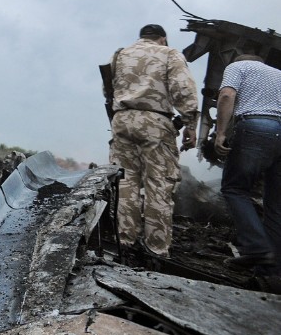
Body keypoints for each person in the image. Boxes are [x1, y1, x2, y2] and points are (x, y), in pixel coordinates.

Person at [108, 24, 199, 257]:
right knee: (159, 184)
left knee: (125, 183)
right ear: (163, 38)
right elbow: (183, 90)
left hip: (121, 120)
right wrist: (190, 124)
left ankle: (125, 241)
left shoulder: (120, 55)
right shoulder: (169, 53)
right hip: (155, 124)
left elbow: (108, 90)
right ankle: (156, 248)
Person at [214, 55, 281, 273]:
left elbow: (227, 95)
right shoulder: (279, 74)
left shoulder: (238, 66)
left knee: (234, 188)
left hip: (256, 127)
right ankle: (271, 269)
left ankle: (256, 248)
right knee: (276, 204)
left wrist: (221, 133)